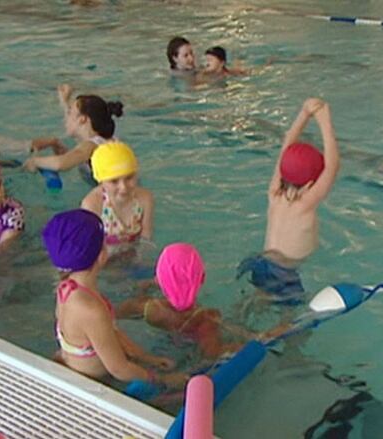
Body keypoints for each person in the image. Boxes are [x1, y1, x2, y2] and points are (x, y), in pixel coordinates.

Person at [42, 209, 184, 386]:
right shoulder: (91, 310)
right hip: (90, 381)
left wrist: (148, 358)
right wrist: (162, 380)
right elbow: (118, 369)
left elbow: (110, 333)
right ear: (102, 256)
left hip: (76, 365)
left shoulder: (67, 287)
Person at [236, 98, 340, 302]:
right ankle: (272, 335)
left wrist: (304, 113)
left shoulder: (274, 193)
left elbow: (286, 147)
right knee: (294, 327)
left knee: (256, 301)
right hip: (285, 273)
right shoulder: (305, 204)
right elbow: (333, 166)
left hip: (261, 262)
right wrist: (324, 119)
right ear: (311, 184)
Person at [117, 243, 285, 359]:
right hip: (190, 351)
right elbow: (212, 353)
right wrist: (252, 343)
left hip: (160, 348)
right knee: (237, 322)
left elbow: (116, 314)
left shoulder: (148, 307)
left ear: (159, 279)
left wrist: (145, 286)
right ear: (202, 278)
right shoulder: (206, 319)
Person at [23, 84, 122, 174]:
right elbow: (74, 157)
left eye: (70, 112)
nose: (66, 118)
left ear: (82, 120)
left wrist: (35, 161)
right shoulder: (103, 139)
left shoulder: (90, 146)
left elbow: (61, 164)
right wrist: (64, 101)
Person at [80, 141, 154, 251]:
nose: (123, 187)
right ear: (101, 181)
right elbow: (90, 247)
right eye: (114, 181)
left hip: (131, 254)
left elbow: (146, 237)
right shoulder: (92, 205)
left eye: (129, 178)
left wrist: (140, 261)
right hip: (104, 259)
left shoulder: (145, 199)